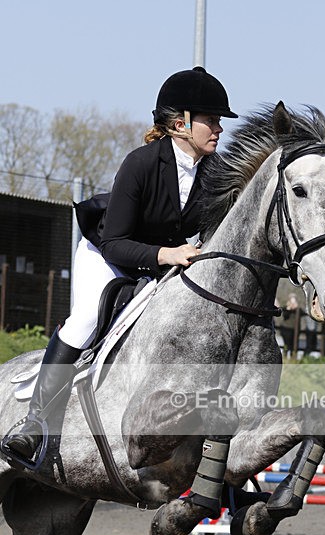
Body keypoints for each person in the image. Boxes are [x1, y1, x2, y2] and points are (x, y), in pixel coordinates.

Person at [3, 66, 238, 463]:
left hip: (162, 263)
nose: (218, 129)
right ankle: (35, 423)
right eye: (211, 120)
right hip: (108, 254)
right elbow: (115, 243)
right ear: (180, 123)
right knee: (86, 321)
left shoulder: (215, 175)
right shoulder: (142, 163)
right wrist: (168, 254)